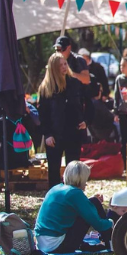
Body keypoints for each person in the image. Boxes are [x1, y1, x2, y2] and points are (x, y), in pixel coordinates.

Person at [34, 161, 114, 254]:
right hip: (56, 245)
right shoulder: (75, 193)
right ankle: (111, 241)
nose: (86, 184)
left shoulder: (56, 188)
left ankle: (106, 241)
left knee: (92, 202)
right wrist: (110, 222)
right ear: (81, 179)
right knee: (95, 202)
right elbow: (97, 223)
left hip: (42, 243)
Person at [37, 54, 86, 187]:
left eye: (65, 64)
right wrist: (47, 134)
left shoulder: (75, 83)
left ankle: (74, 195)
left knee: (74, 169)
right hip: (55, 133)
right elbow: (43, 114)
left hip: (73, 131)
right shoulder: (46, 88)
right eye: (60, 65)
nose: (64, 67)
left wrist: (85, 120)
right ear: (54, 68)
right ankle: (55, 197)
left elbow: (87, 103)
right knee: (53, 169)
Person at [54, 36, 93, 126]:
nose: (59, 52)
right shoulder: (54, 61)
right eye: (57, 49)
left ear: (69, 48)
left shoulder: (78, 60)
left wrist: (70, 73)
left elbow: (86, 79)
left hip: (76, 103)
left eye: (61, 49)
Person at [113, 56, 127, 169]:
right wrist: (115, 112)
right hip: (122, 113)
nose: (121, 68)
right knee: (124, 140)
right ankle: (125, 165)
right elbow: (116, 96)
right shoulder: (119, 79)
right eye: (120, 65)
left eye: (124, 66)